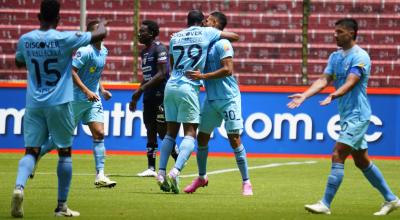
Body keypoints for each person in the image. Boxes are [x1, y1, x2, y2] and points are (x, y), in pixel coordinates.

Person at [287, 18, 399, 216]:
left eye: (339, 31)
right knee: (361, 161)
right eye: (334, 31)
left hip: (358, 115)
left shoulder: (361, 56)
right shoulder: (335, 57)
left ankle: (325, 203)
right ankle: (391, 199)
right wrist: (304, 95)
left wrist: (334, 94)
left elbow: (352, 81)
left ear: (352, 33)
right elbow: (324, 80)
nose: (334, 35)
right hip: (347, 114)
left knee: (338, 153)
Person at [11, 0, 107, 217]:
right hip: (60, 103)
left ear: (38, 16)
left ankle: (19, 187)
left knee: (31, 151)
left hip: (34, 103)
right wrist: (102, 23)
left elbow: (18, 62)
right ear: (59, 18)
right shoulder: (65, 39)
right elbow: (99, 34)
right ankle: (61, 206)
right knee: (64, 152)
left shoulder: (26, 39)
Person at [156, 9, 239, 194]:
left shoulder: (175, 37)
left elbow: (172, 62)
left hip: (171, 85)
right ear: (201, 21)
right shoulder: (206, 32)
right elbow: (235, 36)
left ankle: (160, 172)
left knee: (170, 132)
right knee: (190, 133)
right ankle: (175, 171)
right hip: (189, 86)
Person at [37, 20, 117, 188]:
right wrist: (86, 91)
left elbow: (95, 73)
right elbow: (72, 71)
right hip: (75, 100)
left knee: (99, 133)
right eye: (97, 30)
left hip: (92, 100)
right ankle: (34, 157)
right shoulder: (84, 51)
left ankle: (100, 175)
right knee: (57, 139)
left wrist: (101, 90)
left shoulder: (104, 51)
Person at [184, 11, 252, 196]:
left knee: (234, 139)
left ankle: (246, 182)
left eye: (208, 20)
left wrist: (203, 76)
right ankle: (201, 177)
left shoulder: (223, 43)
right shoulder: (204, 44)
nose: (204, 22)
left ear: (215, 23)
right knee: (202, 138)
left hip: (229, 98)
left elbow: (228, 70)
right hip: (211, 100)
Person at [129, 20, 179, 177]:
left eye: (142, 31)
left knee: (163, 132)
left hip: (162, 95)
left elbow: (163, 73)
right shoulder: (144, 52)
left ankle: (178, 163)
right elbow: (147, 76)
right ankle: (151, 168)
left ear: (151, 33)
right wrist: (137, 95)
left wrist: (141, 89)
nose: (139, 34)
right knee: (150, 129)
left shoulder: (160, 48)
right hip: (149, 96)